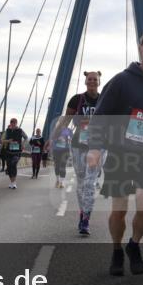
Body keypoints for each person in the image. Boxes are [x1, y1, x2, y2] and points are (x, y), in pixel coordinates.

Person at [88, 30, 143, 275]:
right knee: (120, 208)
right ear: (141, 47)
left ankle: (134, 244)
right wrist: (95, 147)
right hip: (120, 155)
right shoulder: (120, 81)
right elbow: (100, 117)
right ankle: (117, 249)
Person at [52, 71, 103, 235]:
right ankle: (83, 211)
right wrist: (52, 138)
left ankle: (85, 219)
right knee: (81, 183)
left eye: (95, 79)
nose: (93, 81)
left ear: (99, 82)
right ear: (86, 81)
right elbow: (66, 120)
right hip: (78, 145)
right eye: (90, 79)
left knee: (89, 182)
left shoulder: (104, 99)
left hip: (98, 146)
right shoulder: (77, 99)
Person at [2, 118, 28, 189]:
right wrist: (8, 141)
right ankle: (11, 182)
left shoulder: (20, 130)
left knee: (13, 164)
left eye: (14, 123)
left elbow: (26, 137)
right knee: (9, 166)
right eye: (11, 123)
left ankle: (14, 182)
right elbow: (3, 140)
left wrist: (23, 144)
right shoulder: (7, 131)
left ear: (16, 123)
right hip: (9, 151)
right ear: (10, 123)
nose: (13, 124)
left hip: (17, 151)